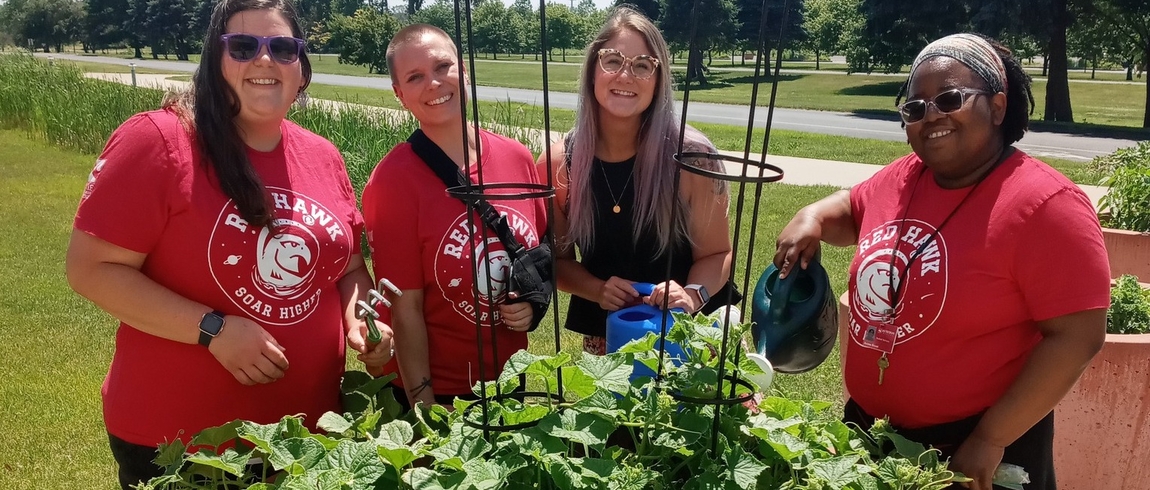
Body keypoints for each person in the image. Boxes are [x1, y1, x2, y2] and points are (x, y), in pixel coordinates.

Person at [64, 0, 392, 487]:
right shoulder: (160, 140)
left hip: (306, 435)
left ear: (301, 69)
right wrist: (212, 329)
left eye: (282, 47)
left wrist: (362, 321)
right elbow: (91, 268)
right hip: (182, 443)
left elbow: (348, 269)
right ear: (214, 63)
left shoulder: (322, 155)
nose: (264, 59)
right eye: (243, 46)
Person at [774, 33, 1108, 490]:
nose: (930, 115)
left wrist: (991, 438)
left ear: (997, 106)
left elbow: (1078, 337)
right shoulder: (905, 175)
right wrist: (809, 216)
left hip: (975, 450)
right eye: (914, 108)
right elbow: (854, 208)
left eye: (950, 98)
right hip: (874, 435)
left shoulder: (1046, 203)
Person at [361, 24, 546, 409]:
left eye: (442, 66)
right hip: (443, 393)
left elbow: (537, 258)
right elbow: (404, 307)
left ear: (463, 70)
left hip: (514, 383)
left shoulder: (518, 158)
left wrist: (532, 302)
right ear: (399, 94)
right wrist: (425, 408)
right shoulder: (393, 181)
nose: (433, 83)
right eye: (415, 77)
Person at [539, 7, 734, 355]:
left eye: (643, 65)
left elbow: (718, 253)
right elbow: (558, 261)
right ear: (592, 71)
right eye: (612, 60)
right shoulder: (559, 164)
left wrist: (690, 294)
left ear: (658, 80)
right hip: (610, 332)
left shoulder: (693, 158)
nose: (625, 76)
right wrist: (598, 290)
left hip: (693, 329)